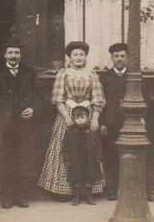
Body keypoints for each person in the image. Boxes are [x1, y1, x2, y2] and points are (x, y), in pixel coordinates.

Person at [38, 41, 106, 199]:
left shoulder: (91, 74)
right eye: (75, 54)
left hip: (87, 113)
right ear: (69, 57)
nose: (79, 57)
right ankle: (66, 191)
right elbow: (57, 98)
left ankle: (89, 188)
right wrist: (67, 117)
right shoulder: (63, 73)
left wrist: (95, 118)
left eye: (82, 54)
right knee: (66, 148)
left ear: (85, 57)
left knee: (89, 148)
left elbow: (98, 98)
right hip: (67, 113)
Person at [98, 42, 154, 201]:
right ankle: (113, 189)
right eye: (116, 56)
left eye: (123, 56)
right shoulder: (105, 77)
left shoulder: (136, 76)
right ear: (111, 58)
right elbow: (100, 101)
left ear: (128, 58)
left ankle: (144, 189)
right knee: (111, 156)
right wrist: (102, 122)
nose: (120, 59)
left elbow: (146, 99)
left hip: (133, 121)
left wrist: (142, 118)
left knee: (139, 155)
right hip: (111, 123)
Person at [0, 39, 39, 208]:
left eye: (16, 52)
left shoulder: (29, 72)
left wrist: (33, 108)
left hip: (24, 124)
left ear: (21, 54)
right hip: (4, 124)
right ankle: (7, 195)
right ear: (4, 55)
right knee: (5, 160)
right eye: (10, 52)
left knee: (23, 160)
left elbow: (39, 96)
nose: (13, 56)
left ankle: (20, 195)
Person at [63, 105, 102, 205]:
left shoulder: (92, 131)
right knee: (76, 179)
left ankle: (89, 196)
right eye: (77, 118)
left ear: (87, 118)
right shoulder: (70, 132)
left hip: (89, 160)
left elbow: (98, 144)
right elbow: (66, 147)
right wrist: (67, 159)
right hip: (76, 160)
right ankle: (75, 197)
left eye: (82, 118)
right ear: (73, 119)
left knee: (89, 177)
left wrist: (98, 157)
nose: (79, 120)